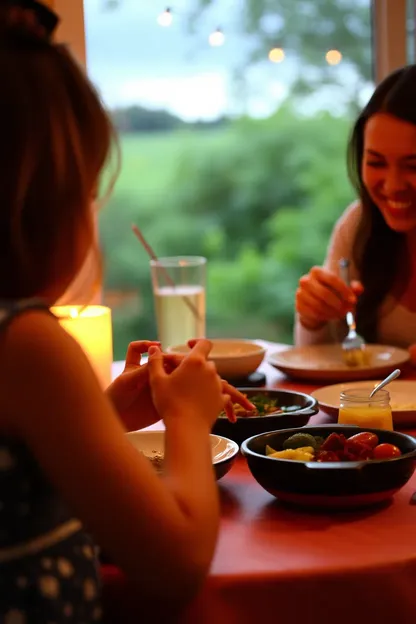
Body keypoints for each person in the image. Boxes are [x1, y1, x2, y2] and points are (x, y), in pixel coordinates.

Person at [0, 2, 254, 622]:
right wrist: (189, 422)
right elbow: (178, 565)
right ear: (38, 200)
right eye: (87, 191)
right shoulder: (25, 341)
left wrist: (105, 413)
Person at [295, 64, 416, 352]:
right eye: (376, 163)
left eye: (413, 166)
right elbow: (320, 362)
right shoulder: (359, 224)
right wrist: (314, 318)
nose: (392, 185)